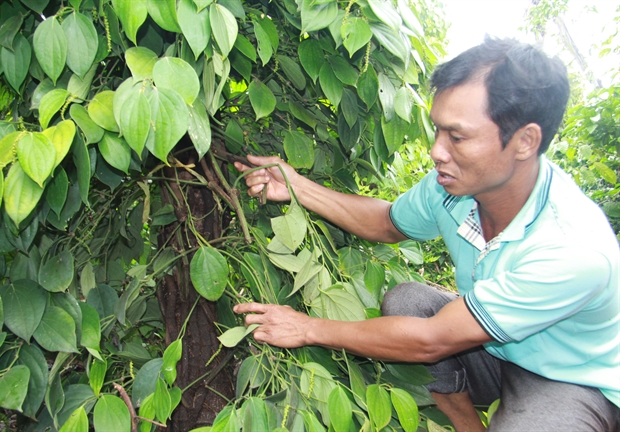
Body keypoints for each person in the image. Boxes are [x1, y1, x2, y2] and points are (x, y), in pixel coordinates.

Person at [233, 37, 620, 431]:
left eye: (457, 136)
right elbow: (386, 222)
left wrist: (307, 327)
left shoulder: (573, 249)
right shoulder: (452, 186)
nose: (437, 151)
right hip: (497, 349)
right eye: (437, 130)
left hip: (572, 378)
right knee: (408, 301)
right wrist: (298, 187)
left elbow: (432, 340)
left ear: (525, 141)